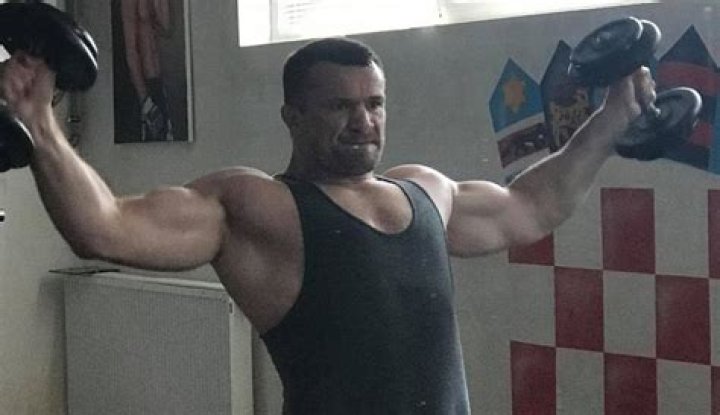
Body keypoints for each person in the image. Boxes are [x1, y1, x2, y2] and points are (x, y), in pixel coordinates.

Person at [2, 37, 654, 414]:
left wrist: (610, 122)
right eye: (340, 106)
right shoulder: (258, 207)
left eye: (374, 103)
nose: (363, 121)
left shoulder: (425, 191)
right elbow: (106, 227)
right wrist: (40, 122)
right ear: (293, 115)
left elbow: (534, 205)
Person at [119, 0, 173, 141]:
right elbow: (131, 51)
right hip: (145, 83)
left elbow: (166, 28)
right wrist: (145, 99)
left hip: (162, 80)